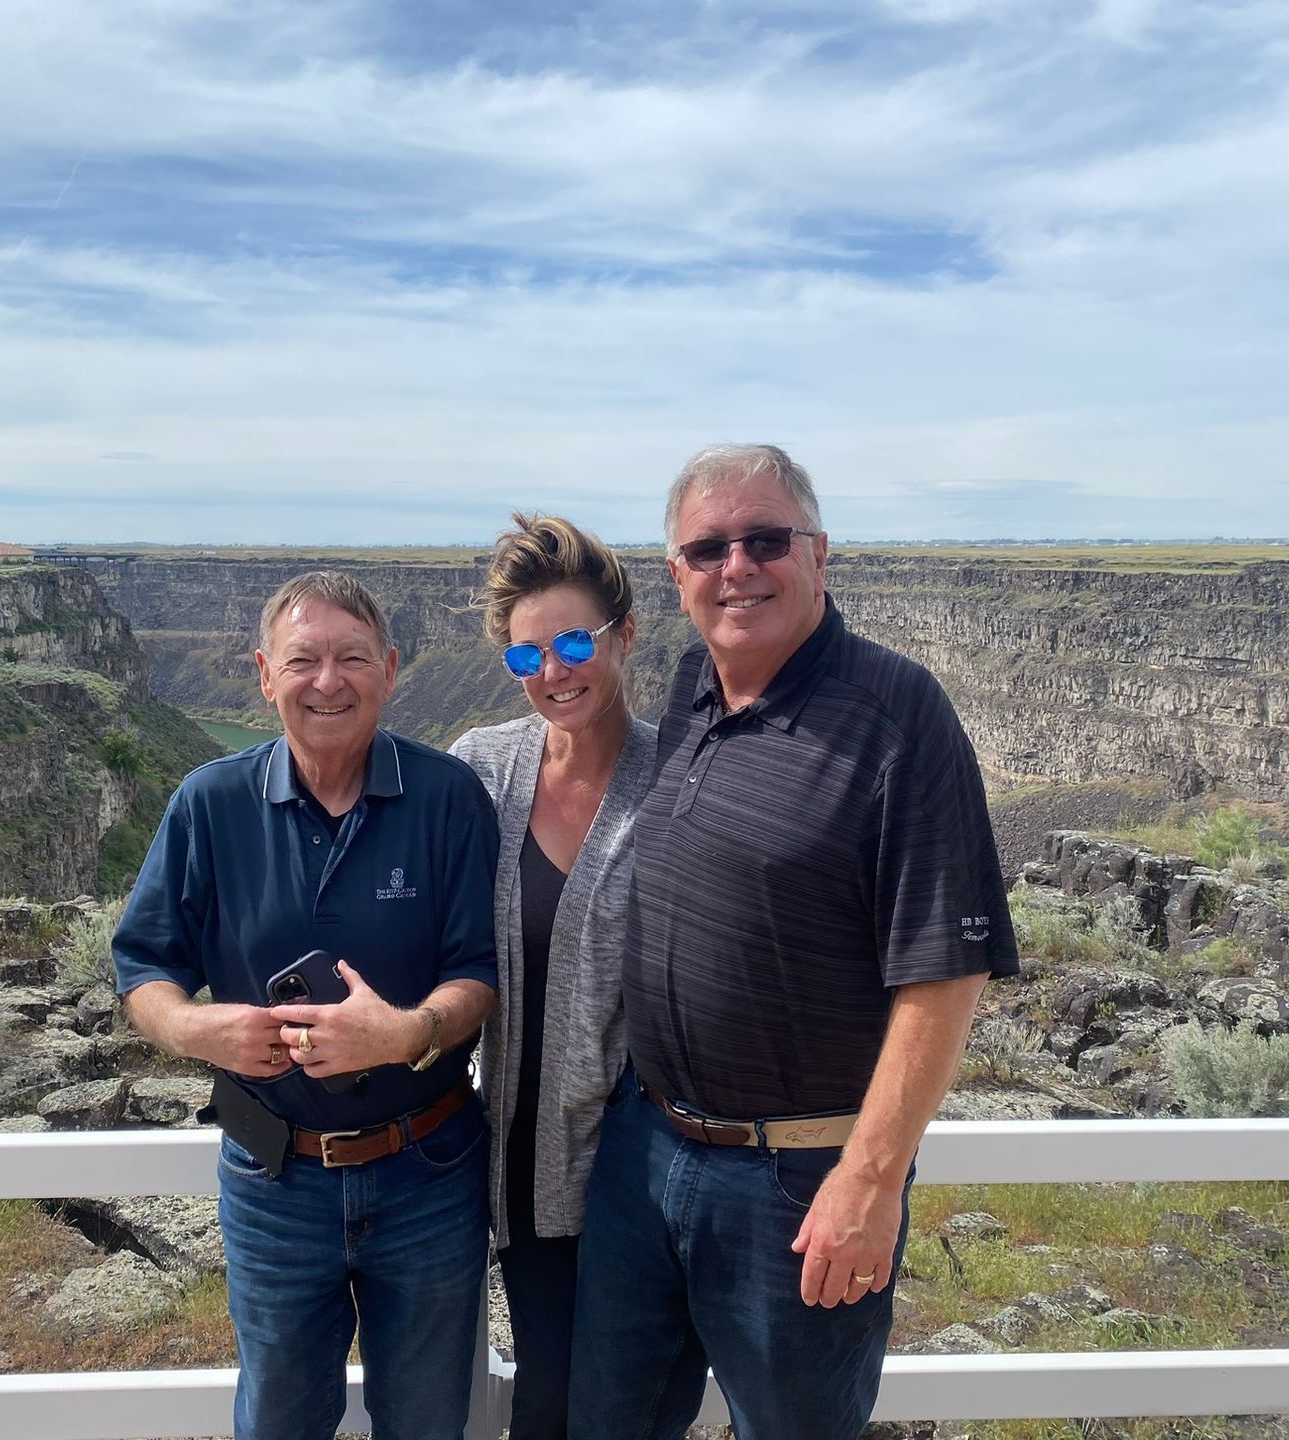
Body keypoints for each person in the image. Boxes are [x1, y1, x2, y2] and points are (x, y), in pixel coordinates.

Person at [569, 445, 1020, 1440]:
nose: (739, 566)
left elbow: (944, 971)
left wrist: (871, 1178)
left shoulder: (899, 715)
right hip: (646, 1153)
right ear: (678, 576)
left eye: (766, 540)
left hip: (801, 1182)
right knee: (609, 1422)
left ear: (819, 553)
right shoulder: (694, 683)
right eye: (709, 548)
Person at [113, 571, 499, 1440]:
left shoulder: (447, 799)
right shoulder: (209, 804)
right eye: (304, 660)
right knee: (280, 1420)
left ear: (391, 670)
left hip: (429, 1174)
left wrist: (407, 1033)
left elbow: (480, 969)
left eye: (352, 658)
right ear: (263, 673)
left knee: (431, 1421)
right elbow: (142, 966)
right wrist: (191, 1026)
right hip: (274, 1179)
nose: (329, 681)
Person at [449, 514, 660, 1440]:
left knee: (620, 1407)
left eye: (573, 641)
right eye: (526, 655)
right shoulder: (483, 768)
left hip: (637, 1177)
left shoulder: (678, 778)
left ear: (623, 632)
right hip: (517, 1169)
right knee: (545, 1397)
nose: (553, 672)